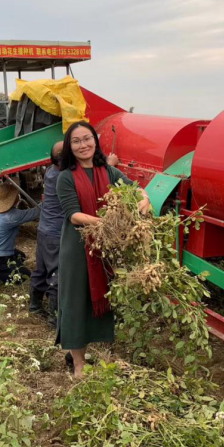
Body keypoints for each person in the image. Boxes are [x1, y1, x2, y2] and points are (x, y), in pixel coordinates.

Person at [56, 122, 151, 377]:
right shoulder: (65, 177)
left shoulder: (108, 171)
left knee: (99, 297)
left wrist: (144, 198)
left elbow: (133, 187)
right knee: (76, 302)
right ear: (69, 147)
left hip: (102, 248)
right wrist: (108, 223)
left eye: (87, 139)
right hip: (77, 249)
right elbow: (74, 215)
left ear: (95, 142)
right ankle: (78, 364)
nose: (83, 145)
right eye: (76, 141)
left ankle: (89, 353)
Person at [29, 141, 64, 326]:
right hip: (56, 234)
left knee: (41, 269)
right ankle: (54, 318)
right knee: (56, 274)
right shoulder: (64, 177)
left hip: (44, 230)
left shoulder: (51, 171)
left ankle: (34, 305)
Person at [0, 183, 41, 285]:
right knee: (24, 277)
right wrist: (50, 200)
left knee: (20, 257)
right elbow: (36, 212)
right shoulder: (11, 217)